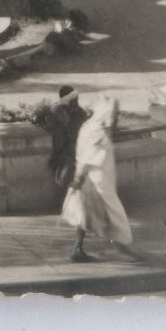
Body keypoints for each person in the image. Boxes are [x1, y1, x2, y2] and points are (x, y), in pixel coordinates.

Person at [62, 97, 134, 263]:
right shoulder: (97, 132)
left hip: (94, 177)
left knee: (84, 213)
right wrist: (79, 176)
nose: (116, 118)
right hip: (97, 179)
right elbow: (88, 156)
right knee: (114, 212)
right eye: (115, 114)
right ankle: (124, 247)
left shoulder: (89, 127)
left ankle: (77, 249)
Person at [47, 85, 89, 199]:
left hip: (77, 151)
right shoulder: (59, 113)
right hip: (65, 152)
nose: (77, 102)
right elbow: (59, 139)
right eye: (74, 100)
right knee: (68, 171)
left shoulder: (80, 113)